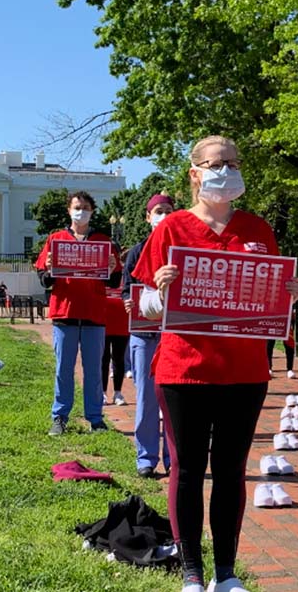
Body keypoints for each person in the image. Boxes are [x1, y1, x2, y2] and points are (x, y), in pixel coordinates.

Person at [133, 136, 298, 592]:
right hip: (185, 369)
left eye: (232, 162)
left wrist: (292, 293)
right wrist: (160, 293)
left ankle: (225, 574)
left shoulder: (257, 229)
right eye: (215, 163)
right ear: (194, 173)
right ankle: (192, 572)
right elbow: (145, 302)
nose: (225, 170)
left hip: (244, 372)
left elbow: (274, 291)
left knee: (231, 469)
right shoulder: (170, 230)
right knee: (187, 469)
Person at [34, 191, 122, 436]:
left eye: (85, 207)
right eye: (76, 206)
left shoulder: (104, 242)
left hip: (94, 314)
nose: (81, 211)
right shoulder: (55, 240)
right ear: (69, 210)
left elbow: (114, 281)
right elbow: (44, 280)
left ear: (92, 211)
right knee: (64, 368)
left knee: (94, 370)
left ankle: (95, 418)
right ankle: (60, 417)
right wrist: (50, 269)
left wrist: (114, 270)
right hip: (65, 313)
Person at [122, 192, 175, 478]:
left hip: (173, 336)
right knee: (145, 398)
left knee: (172, 402)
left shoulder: (182, 249)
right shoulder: (137, 252)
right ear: (148, 217)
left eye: (168, 210)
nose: (163, 215)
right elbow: (126, 289)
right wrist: (127, 301)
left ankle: (173, 460)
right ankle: (146, 458)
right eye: (158, 211)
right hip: (144, 335)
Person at [102, 284, 129, 406]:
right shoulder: (102, 274)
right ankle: (102, 393)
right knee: (103, 359)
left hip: (122, 324)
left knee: (119, 359)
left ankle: (118, 393)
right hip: (102, 323)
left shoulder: (126, 276)